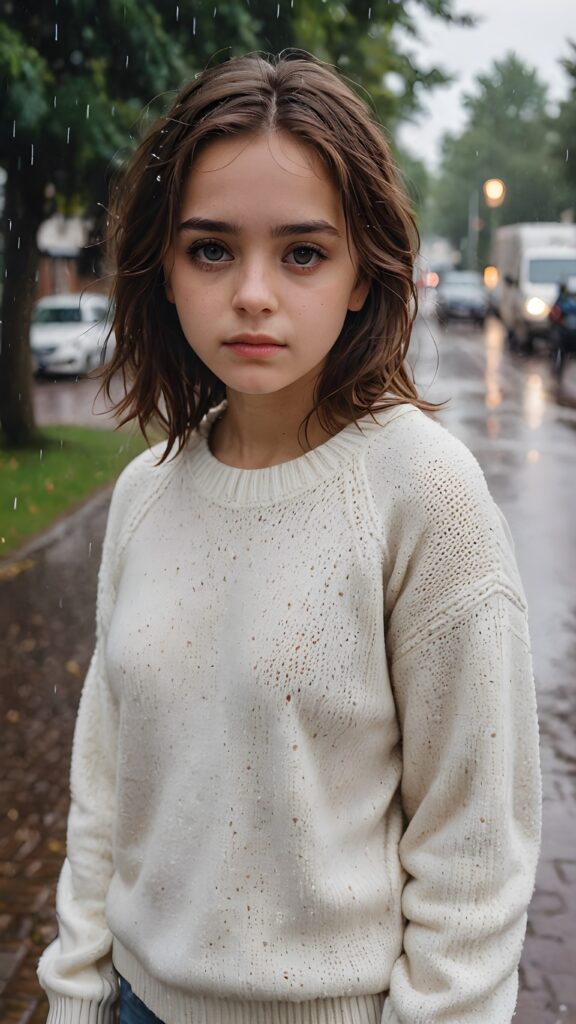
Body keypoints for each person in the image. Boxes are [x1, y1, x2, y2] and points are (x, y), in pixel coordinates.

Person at [38, 51, 541, 1024]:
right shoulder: (143, 494)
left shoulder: (425, 493)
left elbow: (473, 853)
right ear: (166, 272)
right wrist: (74, 992)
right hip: (135, 1002)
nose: (254, 292)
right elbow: (106, 788)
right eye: (212, 249)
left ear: (362, 275)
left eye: (303, 252)